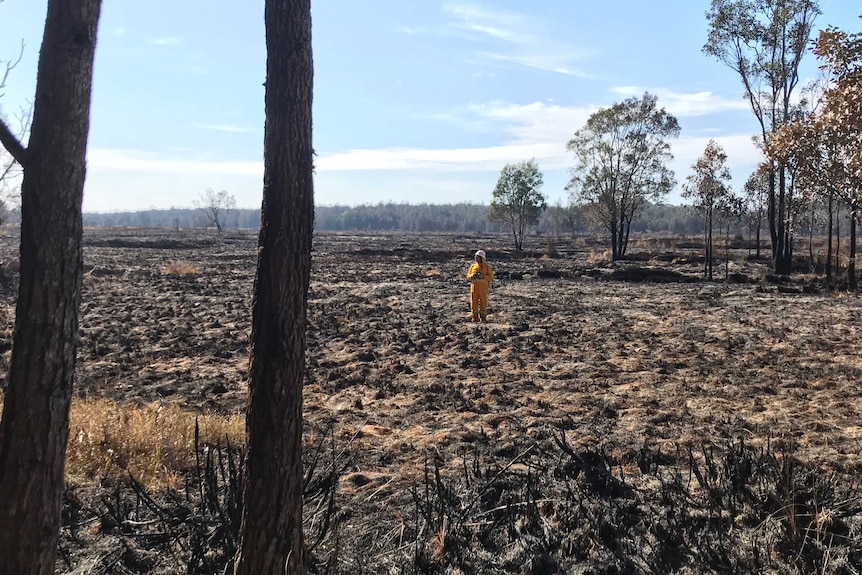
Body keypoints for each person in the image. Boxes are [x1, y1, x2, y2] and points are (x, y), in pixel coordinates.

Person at [466, 249, 494, 322]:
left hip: (483, 288)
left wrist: (483, 277)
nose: (476, 258)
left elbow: (491, 277)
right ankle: (475, 317)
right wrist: (472, 276)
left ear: (482, 258)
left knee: (483, 302)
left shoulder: (487, 267)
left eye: (477, 257)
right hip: (474, 288)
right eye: (475, 257)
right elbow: (468, 276)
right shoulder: (473, 266)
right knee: (473, 302)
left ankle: (483, 317)